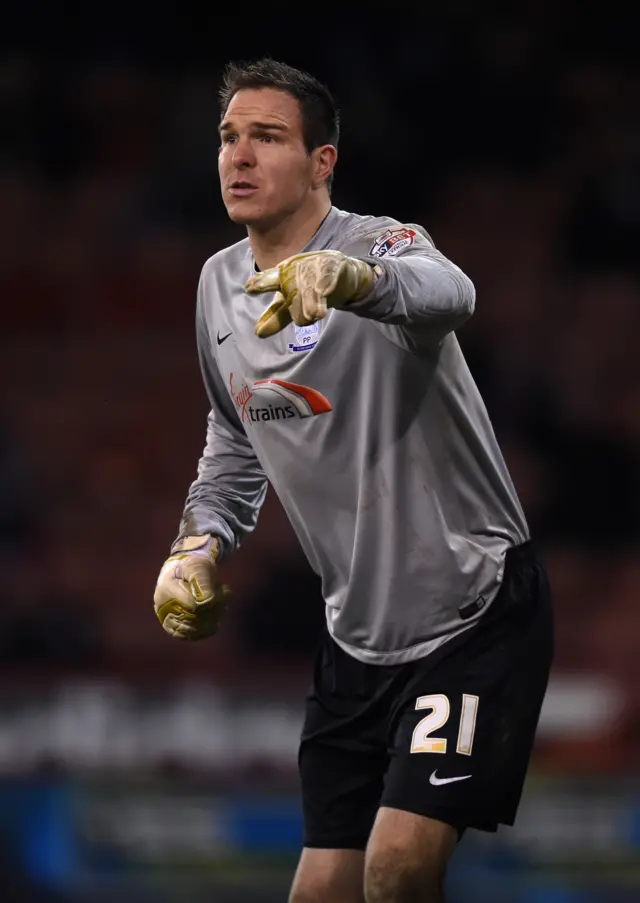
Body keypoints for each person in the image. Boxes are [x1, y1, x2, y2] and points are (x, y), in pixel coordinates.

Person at [153, 58, 554, 903]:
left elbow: (453, 294)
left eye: (267, 137)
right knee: (321, 892)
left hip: (471, 607)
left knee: (398, 867)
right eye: (229, 137)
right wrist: (197, 544)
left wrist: (353, 281)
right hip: (355, 635)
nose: (239, 156)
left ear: (321, 162)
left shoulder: (378, 244)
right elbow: (235, 435)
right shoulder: (216, 285)